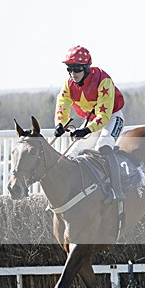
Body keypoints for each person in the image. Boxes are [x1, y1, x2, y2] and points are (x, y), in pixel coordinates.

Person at [54, 45, 126, 203]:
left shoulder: (103, 80)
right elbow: (63, 103)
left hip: (111, 116)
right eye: (69, 69)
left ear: (86, 68)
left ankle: (116, 191)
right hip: (91, 120)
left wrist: (86, 130)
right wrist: (60, 124)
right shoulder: (68, 84)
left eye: (77, 69)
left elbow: (104, 116)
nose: (73, 74)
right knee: (74, 152)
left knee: (104, 146)